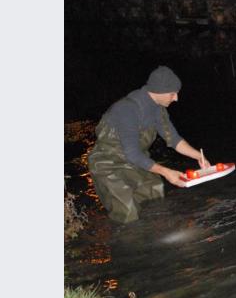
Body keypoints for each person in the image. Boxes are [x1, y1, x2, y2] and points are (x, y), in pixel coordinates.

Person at [88, 66, 210, 223]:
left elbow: (173, 139)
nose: (176, 98)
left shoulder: (158, 109)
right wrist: (166, 172)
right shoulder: (126, 109)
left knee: (155, 194)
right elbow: (132, 153)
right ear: (159, 90)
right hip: (108, 165)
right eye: (173, 93)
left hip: (136, 162)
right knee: (128, 212)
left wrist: (198, 156)